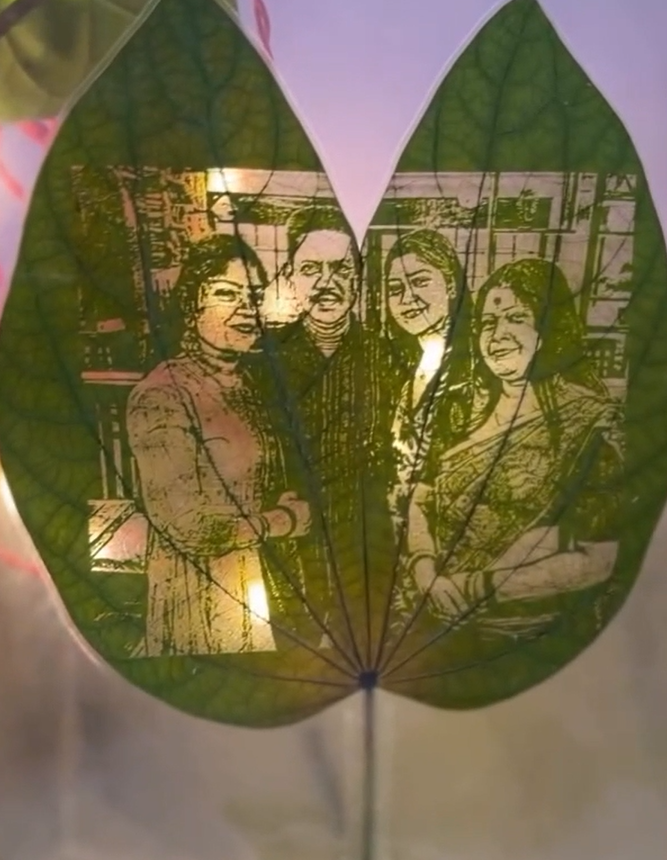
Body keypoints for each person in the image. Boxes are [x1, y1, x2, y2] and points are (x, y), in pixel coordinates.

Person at [403, 258, 623, 637]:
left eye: (516, 318)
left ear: (546, 328)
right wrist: (424, 568)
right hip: (435, 622)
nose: (497, 335)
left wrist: (479, 589)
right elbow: (422, 495)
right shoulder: (458, 407)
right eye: (488, 323)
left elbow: (600, 558)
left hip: (531, 634)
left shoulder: (589, 423)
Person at [126, 234, 312, 657]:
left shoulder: (246, 385)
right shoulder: (162, 394)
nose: (246, 307)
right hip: (199, 586)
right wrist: (282, 521)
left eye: (254, 296)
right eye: (227, 293)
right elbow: (188, 525)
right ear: (192, 306)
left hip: (256, 580)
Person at [257, 203, 395, 662]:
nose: (326, 283)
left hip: (368, 543)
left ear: (358, 278)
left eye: (340, 269)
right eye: (311, 269)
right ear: (291, 278)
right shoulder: (265, 361)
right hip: (292, 543)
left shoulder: (390, 357)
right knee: (294, 664)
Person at [383, 229, 476, 530]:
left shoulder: (475, 366)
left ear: (451, 285)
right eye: (394, 288)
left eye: (420, 281)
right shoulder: (400, 366)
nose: (407, 298)